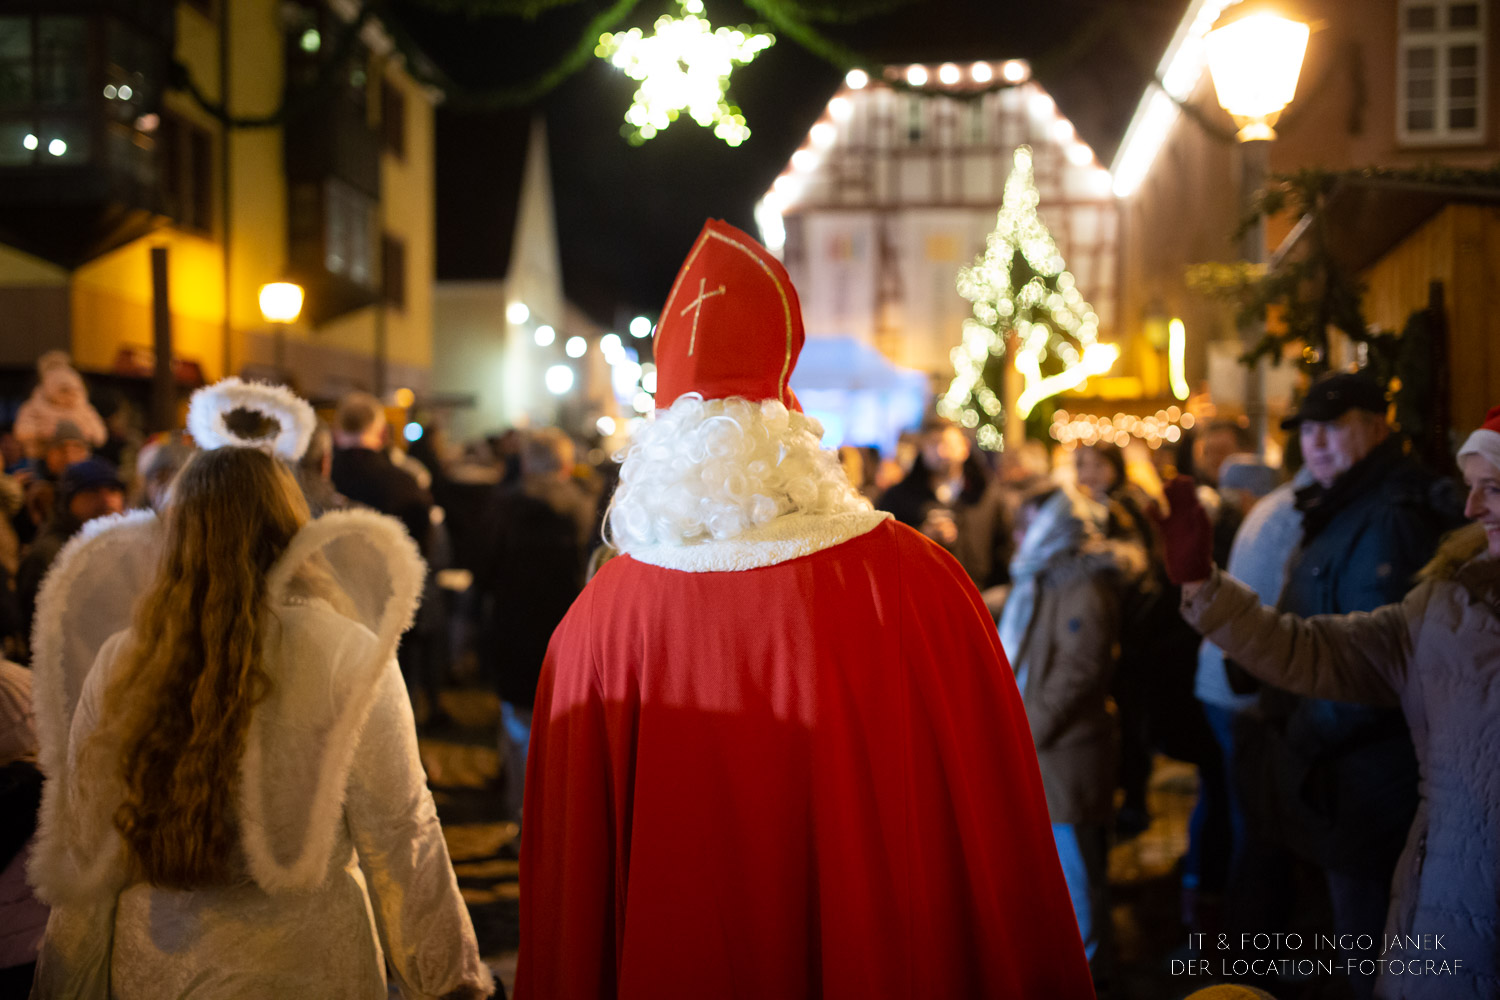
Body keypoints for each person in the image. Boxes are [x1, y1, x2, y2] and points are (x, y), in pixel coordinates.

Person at [517, 220, 1092, 999]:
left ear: (662, 435)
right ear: (791, 423)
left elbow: (572, 893)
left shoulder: (594, 626)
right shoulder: (917, 585)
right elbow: (991, 830)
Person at [27, 380, 492, 999]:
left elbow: (91, 846)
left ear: (179, 537)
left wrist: (64, 985)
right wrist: (452, 984)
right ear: (291, 526)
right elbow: (402, 830)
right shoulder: (345, 651)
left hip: (161, 970)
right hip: (306, 967)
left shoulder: (125, 660)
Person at [1158, 401, 1500, 1000]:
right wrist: (1203, 589)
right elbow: (1321, 648)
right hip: (1436, 874)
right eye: (1472, 489)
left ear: (1374, 427)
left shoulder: (1387, 514)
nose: (1473, 509)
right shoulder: (1450, 600)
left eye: (1492, 489)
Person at [1243, 372, 1461, 996]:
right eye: (1308, 430)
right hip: (1343, 774)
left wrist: (1303, 732)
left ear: (1377, 426)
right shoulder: (1345, 502)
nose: (1317, 443)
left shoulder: (1388, 514)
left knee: (1371, 950)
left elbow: (1379, 668)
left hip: (1369, 775)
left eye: (1334, 428)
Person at [1000, 482, 1140, 980]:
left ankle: (1091, 970)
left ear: (1051, 527)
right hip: (1047, 744)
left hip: (1068, 748)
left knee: (1077, 867)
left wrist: (1023, 731)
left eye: (1028, 524)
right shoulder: (1045, 575)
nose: (1018, 535)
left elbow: (1079, 673)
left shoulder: (1082, 584)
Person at [481, 427, 592, 822]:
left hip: (513, 631)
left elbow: (485, 571)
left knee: (518, 729)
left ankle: (523, 816)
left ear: (526, 463)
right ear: (566, 465)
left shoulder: (503, 506)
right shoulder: (584, 509)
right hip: (569, 638)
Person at [877, 417, 1012, 594]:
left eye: (947, 444)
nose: (941, 452)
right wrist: (920, 537)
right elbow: (884, 554)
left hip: (979, 599)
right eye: (933, 444)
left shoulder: (987, 496)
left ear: (965, 447)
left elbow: (1005, 551)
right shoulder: (898, 497)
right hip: (921, 600)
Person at [15, 459, 126, 656]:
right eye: (92, 492)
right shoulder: (50, 555)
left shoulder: (124, 546)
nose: (106, 499)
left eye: (113, 490)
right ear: (68, 501)